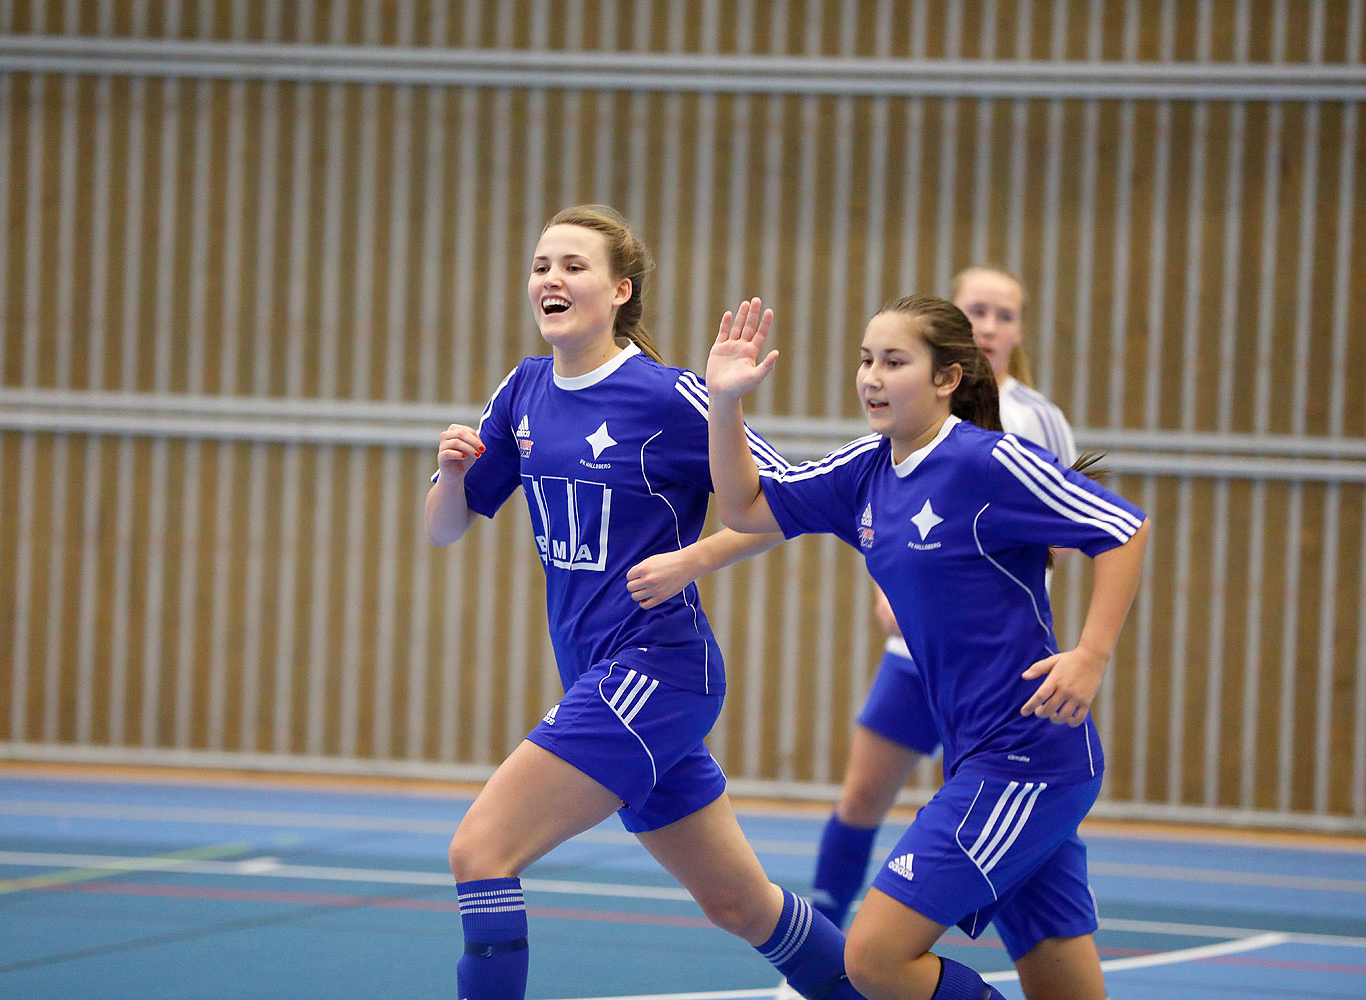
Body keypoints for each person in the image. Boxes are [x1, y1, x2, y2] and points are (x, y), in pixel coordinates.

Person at [425, 205, 868, 1000]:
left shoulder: (671, 399)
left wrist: (691, 559)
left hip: (656, 673)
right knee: (741, 903)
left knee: (480, 853)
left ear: (621, 290)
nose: (550, 279)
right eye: (539, 266)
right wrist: (453, 476)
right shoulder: (524, 390)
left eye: (573, 265)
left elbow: (783, 505)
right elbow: (444, 530)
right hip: (603, 678)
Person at [704, 295, 1149, 1000]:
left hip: (1026, 759)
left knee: (875, 957)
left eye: (894, 361)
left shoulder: (990, 461)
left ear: (946, 379)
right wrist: (724, 406)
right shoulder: (865, 471)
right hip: (976, 751)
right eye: (865, 360)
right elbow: (743, 507)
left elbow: (1122, 527)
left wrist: (1090, 657)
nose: (872, 377)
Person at [802, 267, 1080, 946]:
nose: (989, 325)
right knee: (863, 795)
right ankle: (819, 953)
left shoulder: (1034, 423)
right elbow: (883, 511)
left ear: (1018, 330)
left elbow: (1077, 532)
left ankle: (875, 954)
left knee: (1017, 817)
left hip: (999, 667)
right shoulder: (903, 409)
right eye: (974, 310)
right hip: (914, 660)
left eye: (1004, 314)